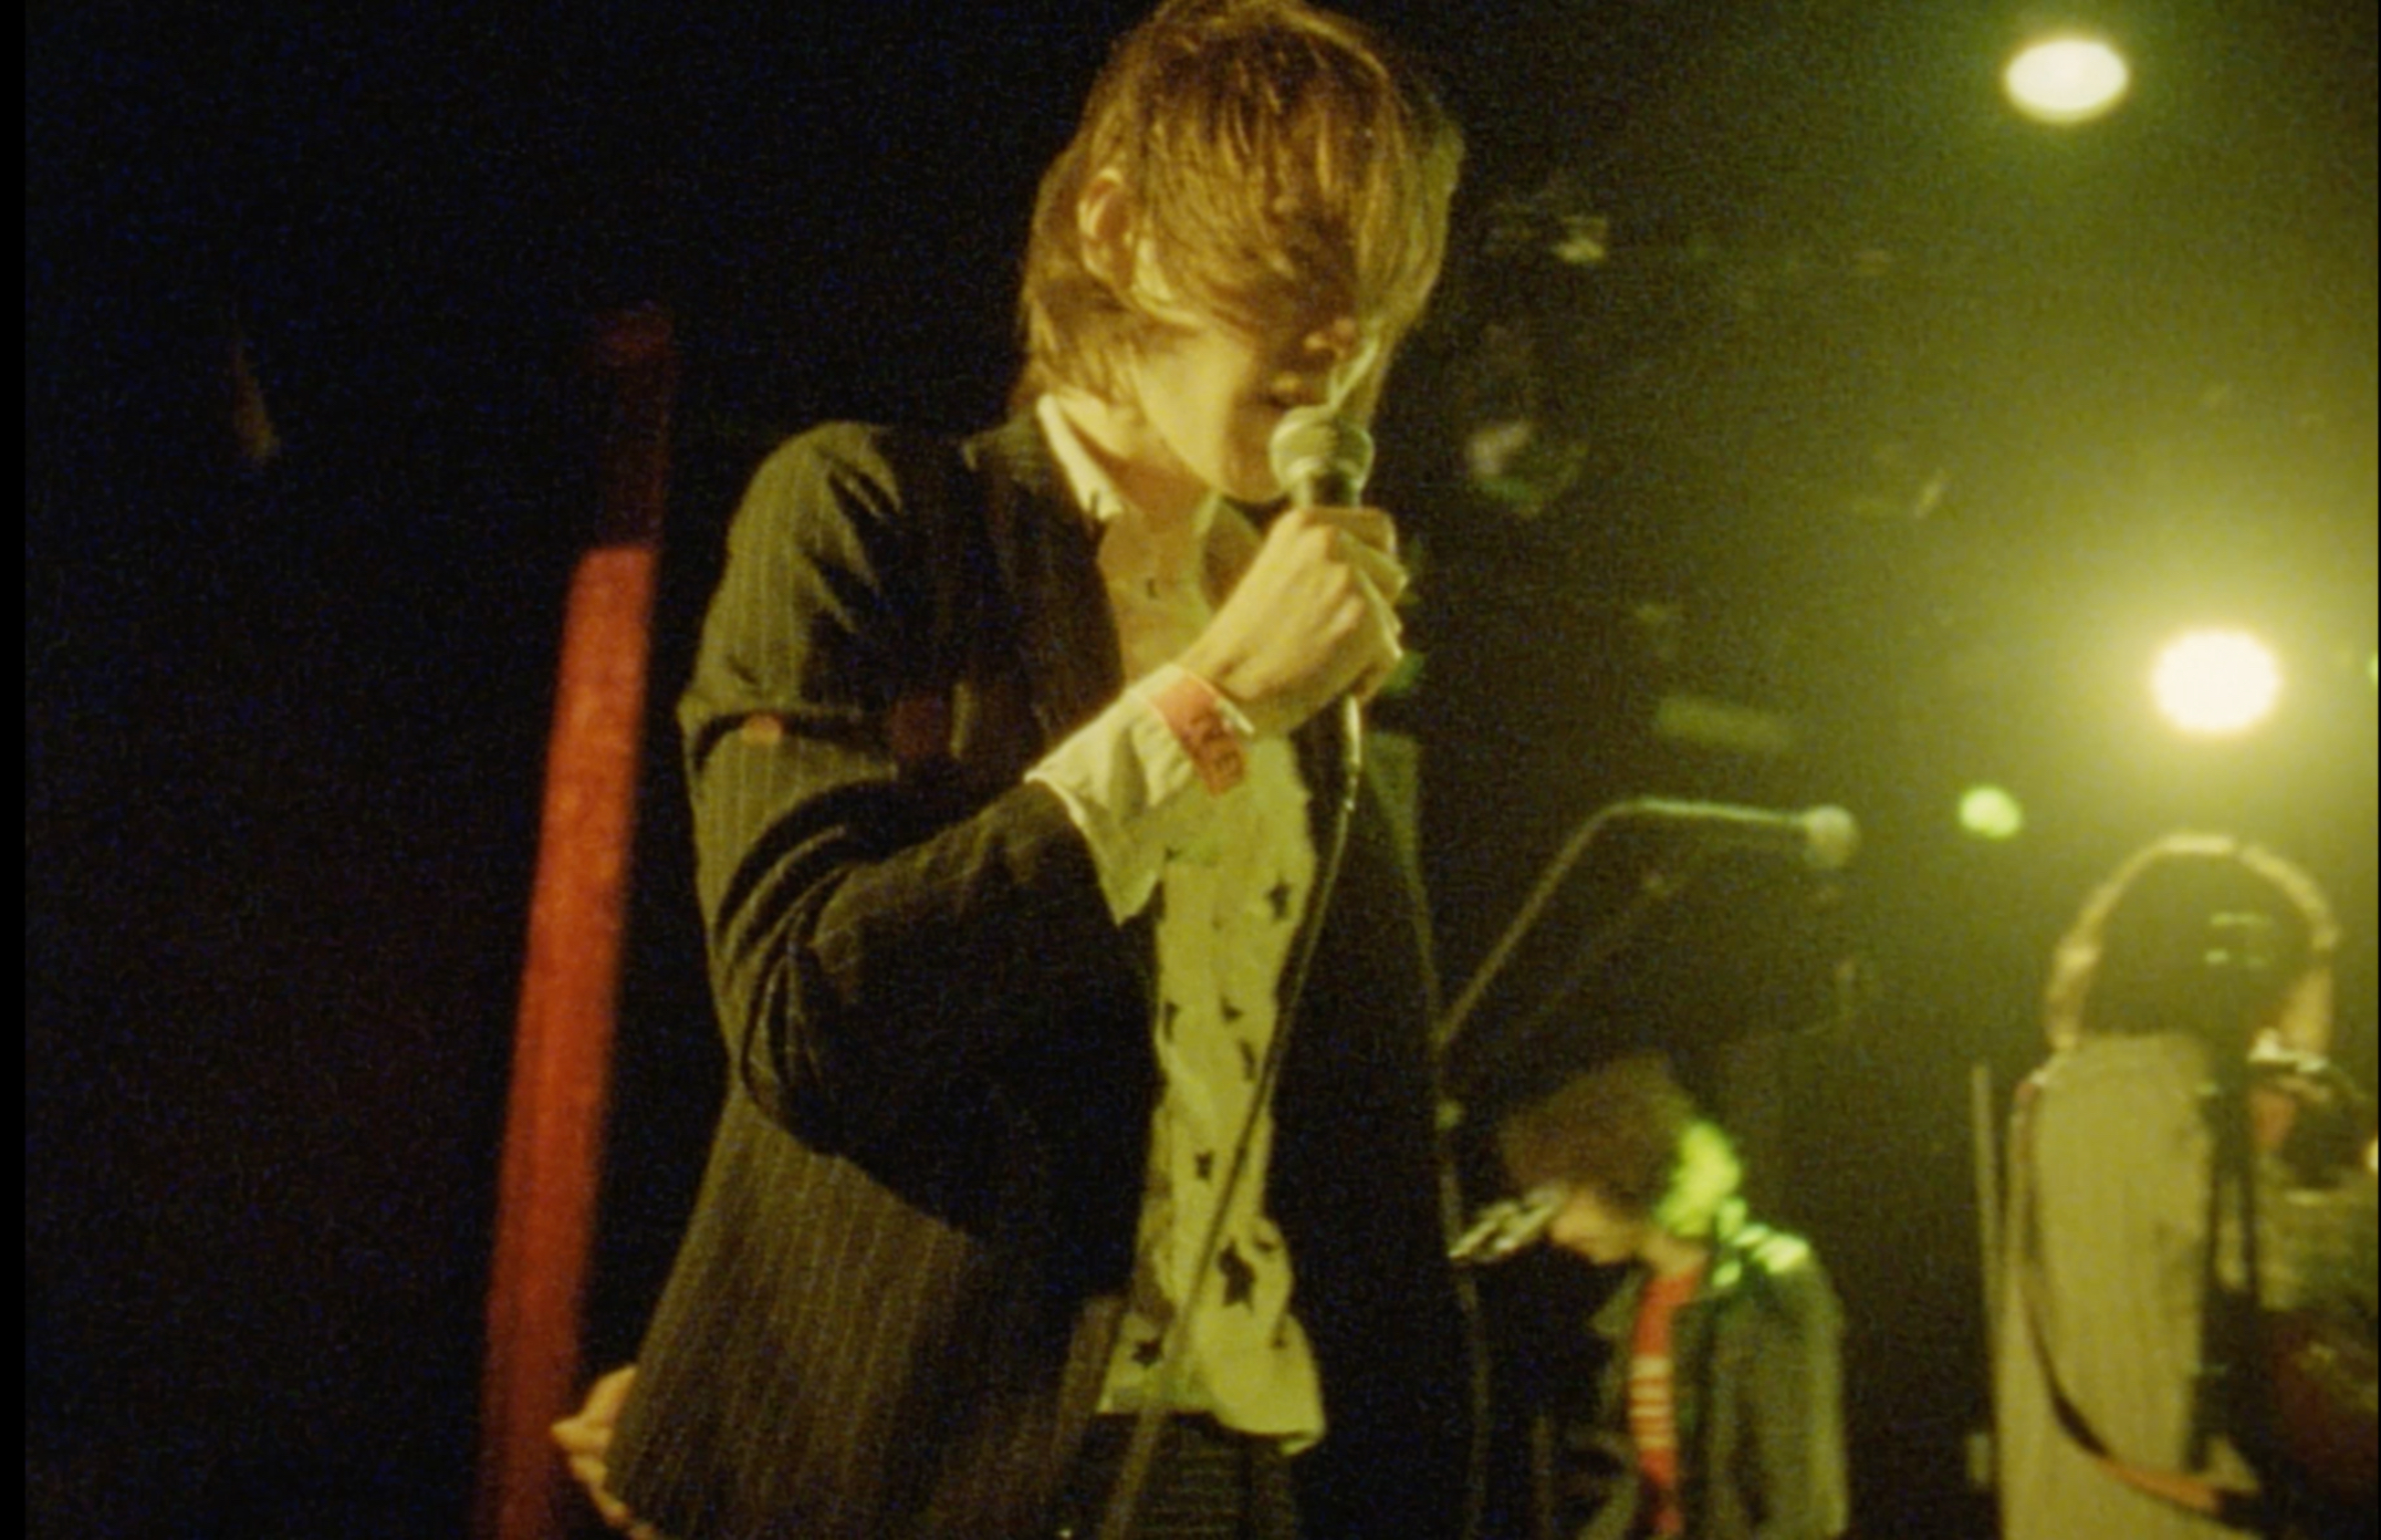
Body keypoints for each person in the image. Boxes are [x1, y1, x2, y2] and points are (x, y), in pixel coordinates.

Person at [553, 4, 1474, 1536]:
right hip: (929, 1472)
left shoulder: (1318, 670)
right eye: (1299, 268)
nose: (1342, 342)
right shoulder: (875, 517)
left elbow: (1369, 1177)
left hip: (1237, 1457)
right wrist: (1213, 698)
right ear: (1118, 231)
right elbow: (805, 1016)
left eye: (1379, 298)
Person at [1996, 832, 2376, 1540]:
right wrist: (2358, 1198)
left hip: (2063, 1498)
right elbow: (2281, 1268)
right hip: (2172, 1500)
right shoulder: (2174, 1091)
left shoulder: (2054, 1093)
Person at [1494, 1055, 1849, 1540]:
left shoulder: (1767, 1284)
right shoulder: (1631, 1308)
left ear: (1622, 1177)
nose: (1559, 1233)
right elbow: (1637, 1490)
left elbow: (1802, 1507)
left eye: (1568, 1202)